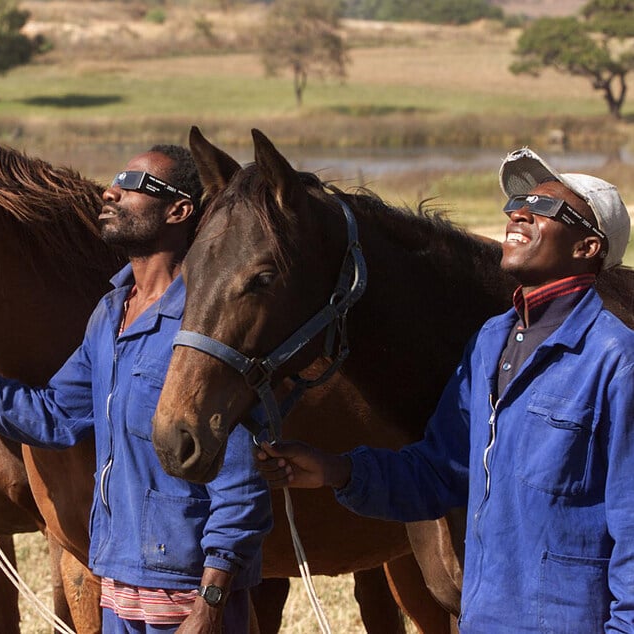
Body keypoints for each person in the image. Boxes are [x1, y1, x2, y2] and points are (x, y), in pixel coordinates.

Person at [0, 145, 272, 633]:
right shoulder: (110, 314)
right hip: (118, 580)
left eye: (134, 185)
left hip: (188, 591)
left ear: (179, 211)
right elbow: (52, 416)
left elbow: (240, 481)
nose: (111, 190)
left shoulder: (204, 326)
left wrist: (211, 602)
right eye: (116, 179)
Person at [255, 147, 633, 632]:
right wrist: (333, 469)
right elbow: (438, 474)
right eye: (518, 204)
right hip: (485, 618)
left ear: (587, 248)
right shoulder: (491, 343)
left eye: (544, 208)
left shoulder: (615, 360)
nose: (519, 212)